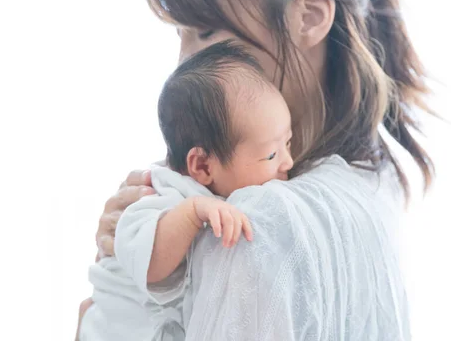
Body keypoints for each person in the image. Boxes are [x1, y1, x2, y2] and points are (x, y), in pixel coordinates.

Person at [79, 0, 435, 339]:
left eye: (205, 31)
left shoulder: (254, 224)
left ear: (311, 17)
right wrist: (146, 251)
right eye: (181, 33)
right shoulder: (374, 180)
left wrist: (99, 323)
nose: (184, 64)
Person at [79, 42, 294, 340]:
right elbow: (151, 264)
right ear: (203, 165)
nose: (288, 162)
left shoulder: (229, 185)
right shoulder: (166, 193)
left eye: (289, 143)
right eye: (272, 155)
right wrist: (191, 213)